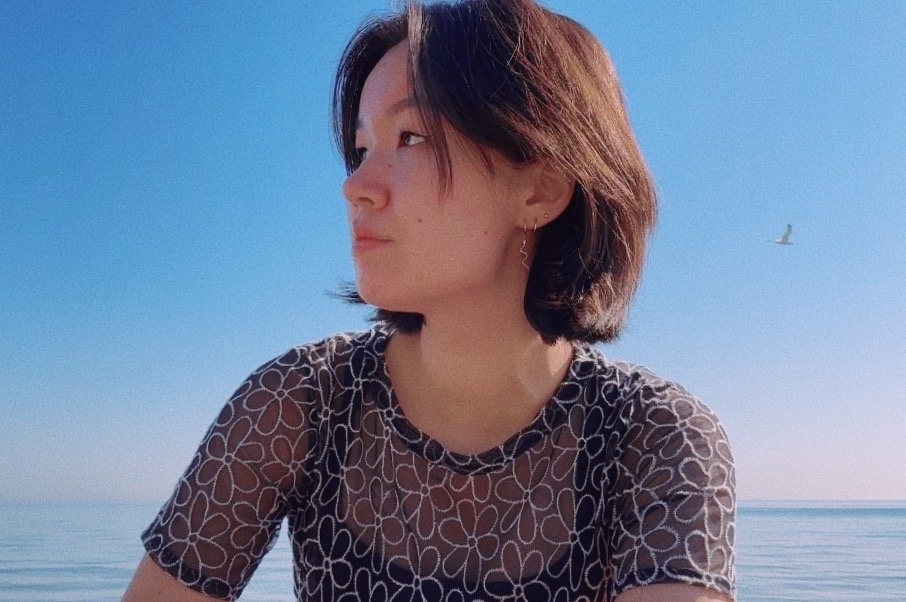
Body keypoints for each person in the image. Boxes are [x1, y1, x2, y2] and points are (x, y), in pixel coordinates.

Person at [122, 0, 735, 600]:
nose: (355, 186)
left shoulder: (655, 435)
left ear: (541, 188)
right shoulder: (302, 402)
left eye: (411, 136)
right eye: (362, 149)